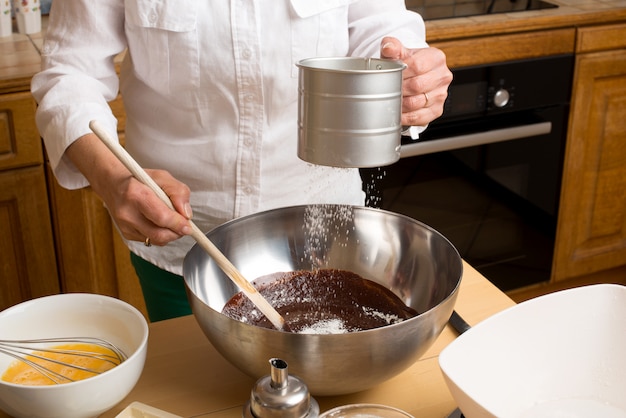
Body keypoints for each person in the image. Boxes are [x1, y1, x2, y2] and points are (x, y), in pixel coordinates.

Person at [32, 1, 453, 322]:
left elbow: (379, 33)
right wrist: (114, 179)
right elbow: (70, 73)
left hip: (331, 236)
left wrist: (410, 75)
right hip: (184, 248)